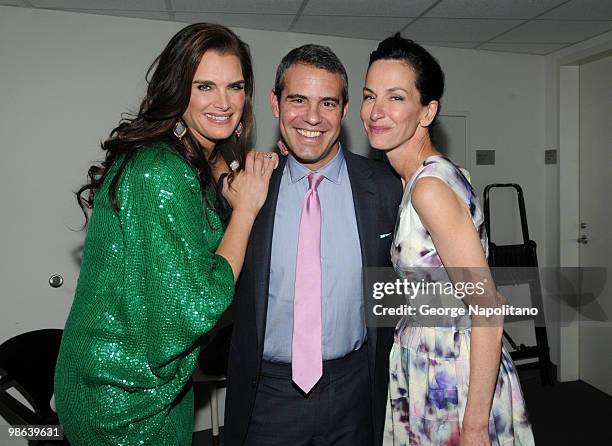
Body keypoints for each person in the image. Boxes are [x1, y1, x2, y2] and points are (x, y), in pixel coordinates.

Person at [53, 23, 277, 445]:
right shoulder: (160, 170)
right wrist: (246, 210)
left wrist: (225, 177)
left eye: (236, 86)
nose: (224, 103)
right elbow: (194, 305)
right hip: (121, 397)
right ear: (177, 89)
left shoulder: (181, 158)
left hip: (149, 384)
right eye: (205, 86)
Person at [224, 44, 403, 445]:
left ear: (344, 110)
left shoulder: (386, 188)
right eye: (298, 100)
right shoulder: (248, 189)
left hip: (356, 391)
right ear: (275, 103)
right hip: (266, 394)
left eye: (327, 103)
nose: (311, 117)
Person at [360, 34, 535, 445]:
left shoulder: (429, 189)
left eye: (396, 97)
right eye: (370, 96)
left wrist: (473, 429)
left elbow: (487, 310)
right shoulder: (424, 178)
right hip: (428, 364)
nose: (375, 111)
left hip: (452, 377)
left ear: (427, 111)